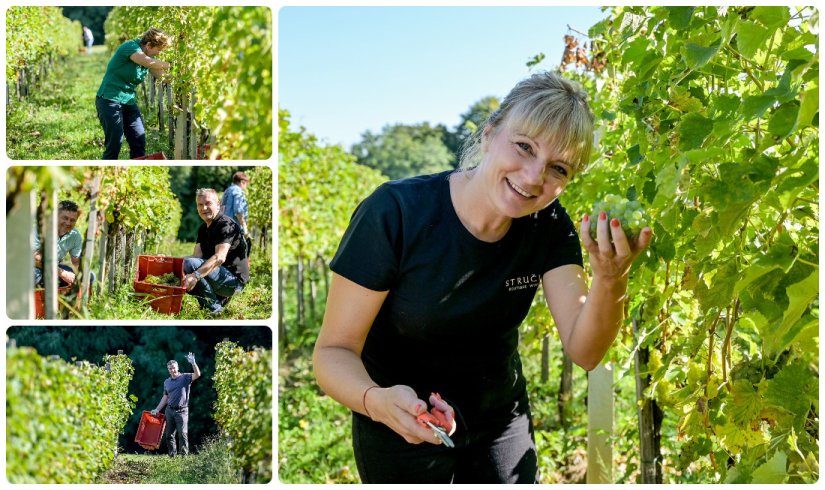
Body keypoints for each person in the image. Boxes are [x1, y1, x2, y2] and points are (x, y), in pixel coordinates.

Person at [313, 71, 653, 483]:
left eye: (558, 168)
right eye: (524, 147)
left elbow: (586, 350)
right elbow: (333, 352)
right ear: (490, 134)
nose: (533, 177)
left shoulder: (549, 226)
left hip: (500, 422)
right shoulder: (396, 212)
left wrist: (611, 279)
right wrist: (376, 401)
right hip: (401, 422)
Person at [96, 27, 171, 160]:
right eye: (158, 49)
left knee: (139, 140)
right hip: (109, 100)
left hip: (129, 102)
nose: (159, 53)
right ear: (148, 45)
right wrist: (168, 64)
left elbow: (161, 76)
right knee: (114, 144)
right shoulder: (130, 47)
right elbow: (148, 62)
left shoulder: (148, 56)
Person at [183, 188, 249, 315]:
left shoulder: (226, 225)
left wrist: (195, 276)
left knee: (190, 267)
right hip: (218, 277)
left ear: (218, 204)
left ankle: (214, 309)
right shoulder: (203, 228)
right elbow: (196, 257)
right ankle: (217, 300)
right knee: (186, 265)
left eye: (208, 203)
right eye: (200, 205)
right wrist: (170, 260)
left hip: (233, 282)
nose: (204, 208)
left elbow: (220, 257)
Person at [33, 200, 95, 288]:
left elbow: (76, 262)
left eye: (72, 220)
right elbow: (36, 258)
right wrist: (63, 274)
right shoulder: (41, 229)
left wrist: (78, 276)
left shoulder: (75, 235)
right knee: (35, 276)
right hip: (35, 266)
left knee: (89, 276)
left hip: (55, 268)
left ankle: (77, 300)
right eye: (65, 218)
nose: (68, 223)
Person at [151, 353, 201, 457]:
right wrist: (157, 409)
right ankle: (172, 457)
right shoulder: (167, 382)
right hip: (169, 410)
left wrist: (193, 363)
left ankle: (184, 457)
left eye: (173, 368)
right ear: (168, 369)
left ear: (177, 368)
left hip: (182, 410)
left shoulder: (185, 377)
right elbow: (165, 397)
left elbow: (197, 375)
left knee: (182, 434)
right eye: (170, 369)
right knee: (169, 435)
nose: (172, 370)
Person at [221, 171, 252, 255]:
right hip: (233, 228)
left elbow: (221, 208)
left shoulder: (227, 191)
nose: (246, 186)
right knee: (237, 255)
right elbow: (238, 211)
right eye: (246, 184)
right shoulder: (238, 191)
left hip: (224, 226)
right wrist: (245, 228)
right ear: (242, 182)